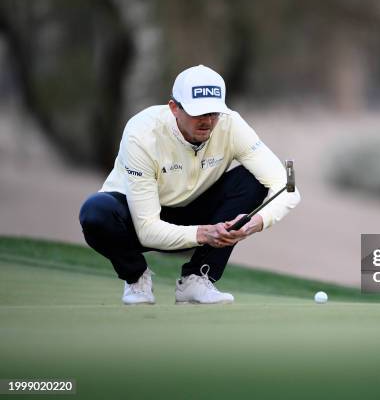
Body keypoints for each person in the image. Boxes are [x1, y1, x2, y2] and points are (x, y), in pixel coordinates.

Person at [79, 65, 301, 305]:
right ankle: (136, 277)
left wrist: (254, 224)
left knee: (253, 180)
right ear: (174, 108)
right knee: (95, 212)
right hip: (135, 220)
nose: (207, 121)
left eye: (213, 113)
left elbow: (287, 188)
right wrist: (204, 233)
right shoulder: (141, 133)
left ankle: (197, 278)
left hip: (195, 211)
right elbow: (147, 229)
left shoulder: (230, 125)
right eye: (199, 113)